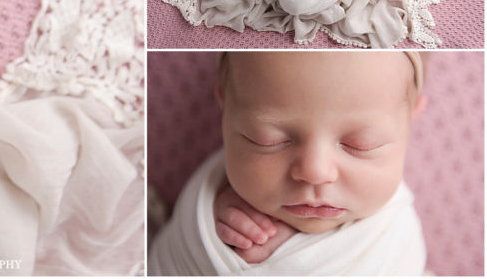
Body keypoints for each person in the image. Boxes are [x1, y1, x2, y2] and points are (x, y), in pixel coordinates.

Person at [148, 52, 427, 275]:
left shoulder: (396, 240)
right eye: (267, 141)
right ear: (225, 110)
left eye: (360, 145)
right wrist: (215, 229)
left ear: (411, 119)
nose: (315, 172)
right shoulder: (211, 192)